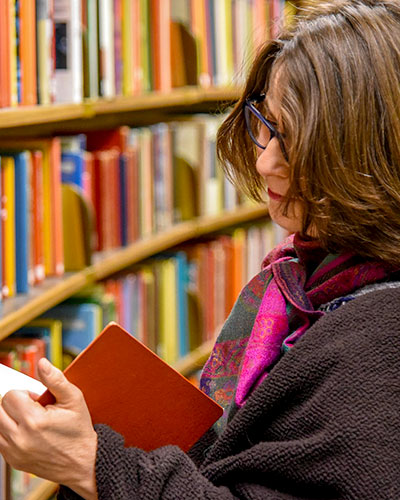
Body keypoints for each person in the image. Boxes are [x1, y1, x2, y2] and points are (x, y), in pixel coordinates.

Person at [1, 1, 400, 498]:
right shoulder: (297, 281)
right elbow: (235, 457)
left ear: (370, 151)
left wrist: (93, 466)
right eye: (267, 125)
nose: (265, 162)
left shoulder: (380, 341)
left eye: (296, 140)